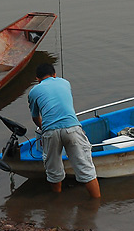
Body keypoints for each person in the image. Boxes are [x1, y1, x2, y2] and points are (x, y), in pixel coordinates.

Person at [27, 63, 101, 199]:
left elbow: (35, 117)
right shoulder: (65, 83)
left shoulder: (34, 91)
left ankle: (57, 205)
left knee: (54, 171)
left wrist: (43, 128)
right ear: (54, 74)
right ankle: (96, 203)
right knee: (86, 169)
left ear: (37, 79)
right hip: (72, 128)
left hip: (50, 131)